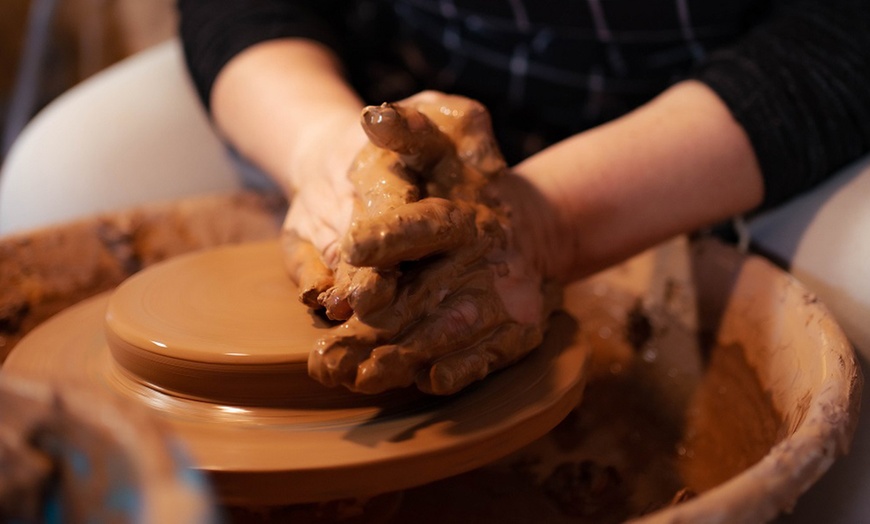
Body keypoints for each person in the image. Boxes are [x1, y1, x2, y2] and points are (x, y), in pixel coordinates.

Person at [174, 0, 870, 393]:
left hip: (706, 122)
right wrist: (322, 153)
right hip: (382, 82)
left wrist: (548, 224)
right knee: (77, 164)